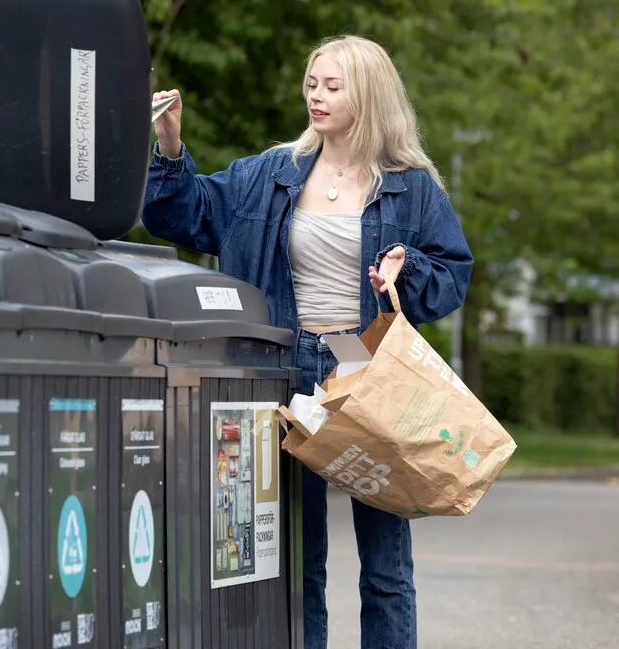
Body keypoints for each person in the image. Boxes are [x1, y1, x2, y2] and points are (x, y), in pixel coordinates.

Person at [142, 34, 473, 649]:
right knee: (297, 560)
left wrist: (410, 266)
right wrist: (170, 147)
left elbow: (452, 274)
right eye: (312, 83)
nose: (315, 96)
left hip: (367, 370)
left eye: (332, 86)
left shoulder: (411, 186)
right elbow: (183, 216)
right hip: (288, 374)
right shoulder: (270, 174)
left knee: (386, 566)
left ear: (368, 97)